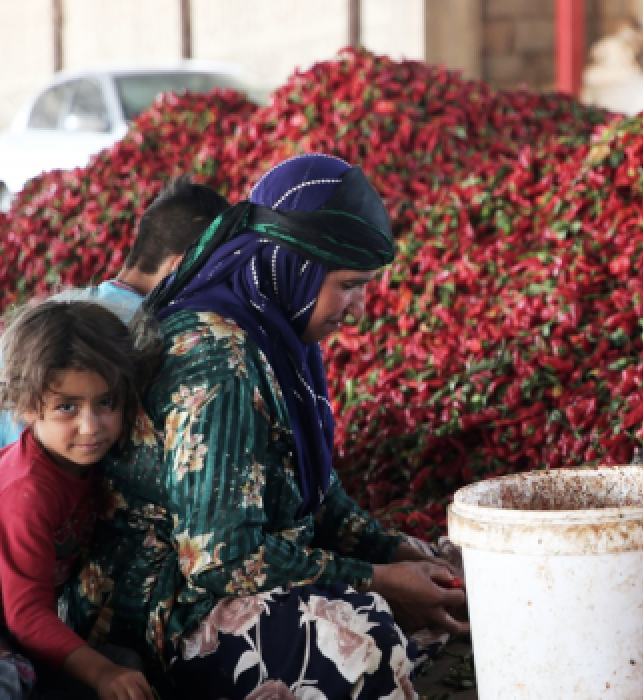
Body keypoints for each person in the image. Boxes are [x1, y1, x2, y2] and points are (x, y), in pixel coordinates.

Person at [62, 154, 469, 700]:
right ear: (292, 266)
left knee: (446, 596)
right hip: (162, 608)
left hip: (227, 580)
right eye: (348, 284)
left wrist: (395, 551)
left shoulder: (279, 336)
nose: (358, 306)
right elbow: (221, 559)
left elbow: (313, 497)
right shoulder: (217, 358)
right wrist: (376, 580)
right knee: (362, 634)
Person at [0, 176, 231, 504]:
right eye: (222, 272)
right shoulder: (142, 334)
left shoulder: (63, 312)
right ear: (180, 267)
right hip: (15, 528)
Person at [0, 300, 155, 700]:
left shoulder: (87, 464)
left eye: (105, 403)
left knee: (122, 663)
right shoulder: (26, 487)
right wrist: (100, 672)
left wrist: (107, 670)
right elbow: (27, 614)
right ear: (25, 407)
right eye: (66, 407)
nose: (90, 427)